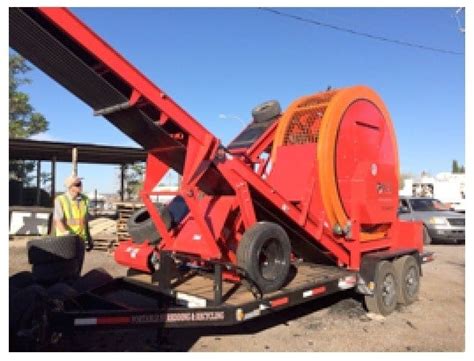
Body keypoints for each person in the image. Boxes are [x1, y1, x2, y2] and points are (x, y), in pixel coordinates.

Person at [53, 175, 94, 251]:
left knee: (78, 263)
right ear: (70, 187)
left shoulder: (85, 199)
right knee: (67, 262)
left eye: (80, 183)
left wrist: (89, 238)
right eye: (77, 184)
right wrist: (66, 234)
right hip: (66, 240)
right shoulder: (60, 200)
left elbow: (84, 221)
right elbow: (58, 220)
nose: (81, 186)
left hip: (81, 239)